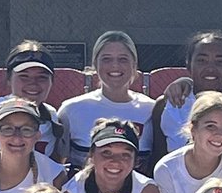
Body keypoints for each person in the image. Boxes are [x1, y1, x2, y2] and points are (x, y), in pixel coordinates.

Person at [149, 31, 222, 161]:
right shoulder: (167, 105)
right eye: (202, 61)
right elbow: (157, 159)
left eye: (219, 62)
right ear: (189, 65)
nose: (210, 68)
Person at [57, 30, 155, 167]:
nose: (115, 65)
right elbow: (58, 163)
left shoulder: (151, 109)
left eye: (123, 59)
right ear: (95, 65)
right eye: (106, 59)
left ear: (134, 65)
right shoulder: (72, 109)